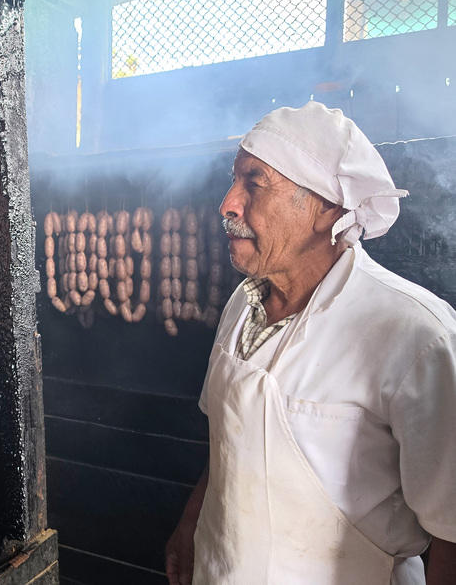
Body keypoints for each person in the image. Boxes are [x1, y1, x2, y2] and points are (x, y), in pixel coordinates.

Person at [164, 101, 456, 584]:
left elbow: (452, 531)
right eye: (233, 181)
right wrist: (192, 523)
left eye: (254, 183)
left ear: (326, 210)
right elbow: (229, 445)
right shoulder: (243, 303)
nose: (227, 204)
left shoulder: (417, 335)